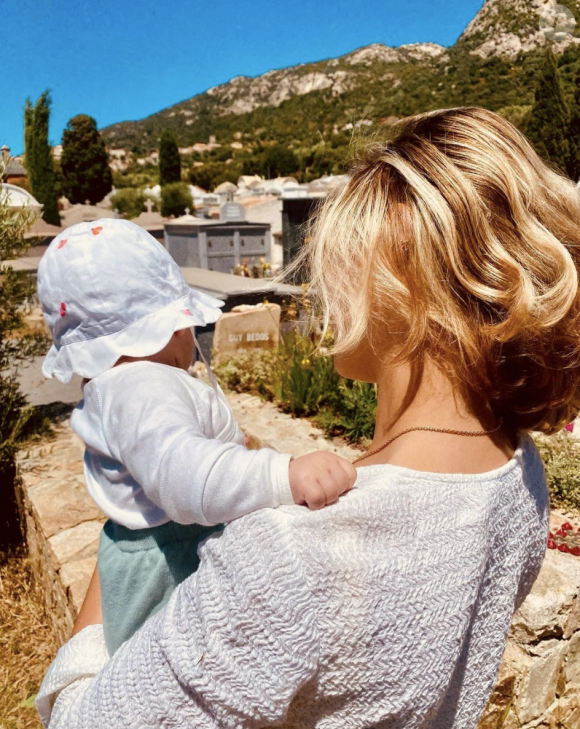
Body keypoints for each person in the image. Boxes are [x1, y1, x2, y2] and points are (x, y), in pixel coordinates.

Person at [37, 107, 580, 728]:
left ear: (397, 279)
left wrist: (112, 573)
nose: (324, 288)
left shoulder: (291, 559)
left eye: (338, 258)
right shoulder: (518, 477)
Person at [35, 218, 356, 656]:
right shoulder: (143, 386)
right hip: (172, 564)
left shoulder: (115, 387)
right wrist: (286, 475)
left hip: (142, 556)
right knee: (174, 673)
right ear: (173, 328)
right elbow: (184, 477)